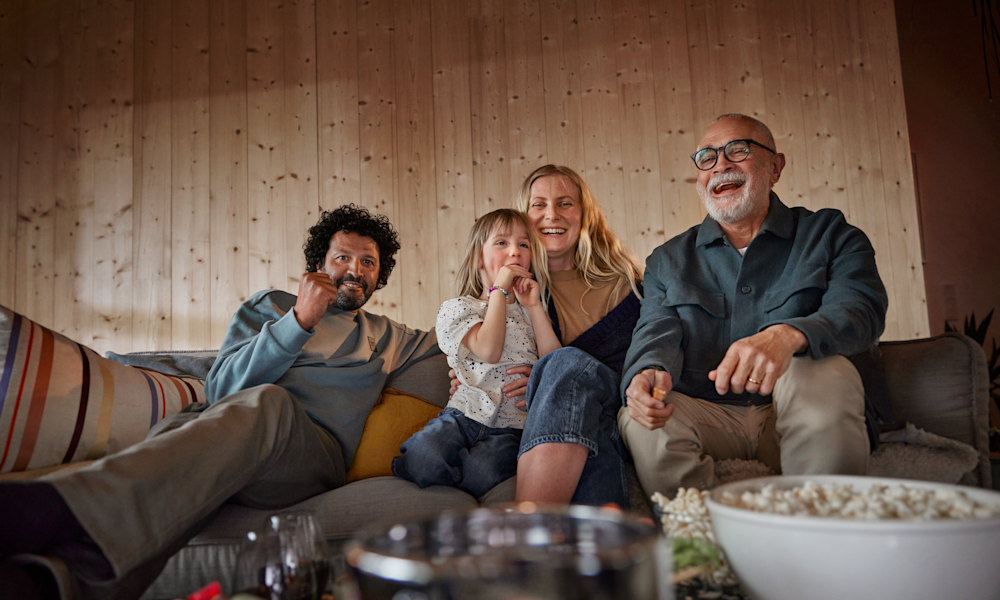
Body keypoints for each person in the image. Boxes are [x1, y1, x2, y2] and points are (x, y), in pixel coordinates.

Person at [0, 204, 440, 600]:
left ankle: (53, 508)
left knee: (270, 404)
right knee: (185, 435)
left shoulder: (388, 334)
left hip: (306, 458)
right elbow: (222, 390)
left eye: (368, 262)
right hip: (225, 434)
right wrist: (298, 321)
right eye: (342, 257)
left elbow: (457, 335)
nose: (354, 270)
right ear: (318, 266)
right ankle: (58, 580)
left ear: (379, 275)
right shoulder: (271, 306)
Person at [619, 114, 889, 499]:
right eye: (707, 157)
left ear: (775, 167)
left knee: (822, 372)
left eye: (737, 150)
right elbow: (655, 331)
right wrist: (648, 372)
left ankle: (821, 525)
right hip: (707, 417)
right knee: (640, 416)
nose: (720, 165)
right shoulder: (667, 259)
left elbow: (861, 309)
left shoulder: (832, 235)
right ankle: (699, 530)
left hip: (796, 414)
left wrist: (788, 336)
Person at [483, 165, 645, 508]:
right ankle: (600, 534)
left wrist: (549, 376)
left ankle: (531, 522)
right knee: (587, 418)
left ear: (584, 214)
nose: (551, 215)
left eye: (565, 203)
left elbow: (644, 361)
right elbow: (476, 350)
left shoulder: (627, 283)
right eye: (538, 204)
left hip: (616, 402)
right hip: (570, 423)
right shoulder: (505, 288)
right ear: (524, 215)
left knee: (566, 363)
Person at [392, 209, 560, 498]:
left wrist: (534, 306)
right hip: (463, 414)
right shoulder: (459, 308)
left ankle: (461, 478)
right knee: (423, 455)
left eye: (523, 245)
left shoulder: (531, 311)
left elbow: (556, 364)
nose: (515, 252)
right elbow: (489, 350)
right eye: (502, 243)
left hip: (512, 426)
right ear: (477, 259)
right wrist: (498, 292)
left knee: (485, 472)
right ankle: (447, 474)